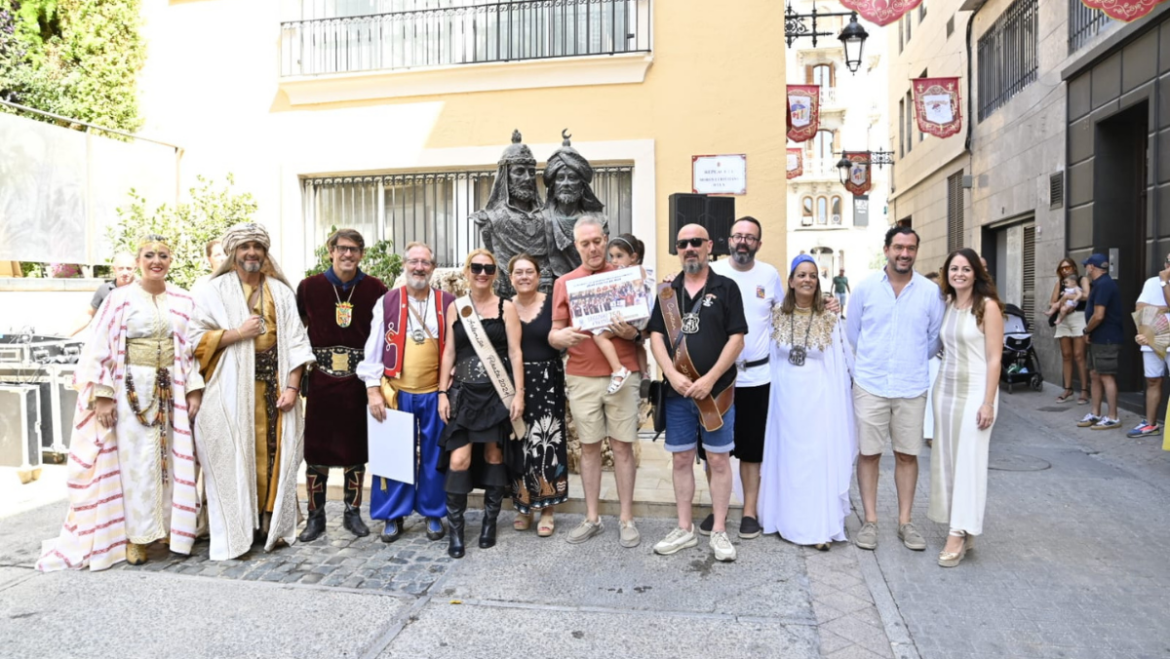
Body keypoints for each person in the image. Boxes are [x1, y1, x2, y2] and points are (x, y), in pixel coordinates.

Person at [38, 236, 203, 570]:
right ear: (139, 260)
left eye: (163, 255)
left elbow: (191, 349)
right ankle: (135, 537)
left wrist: (194, 388)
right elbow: (98, 345)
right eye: (149, 255)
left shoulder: (184, 300)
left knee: (172, 459)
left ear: (171, 260)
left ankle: (171, 530)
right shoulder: (119, 300)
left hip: (172, 392)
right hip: (131, 394)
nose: (156, 261)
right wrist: (102, 395)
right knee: (137, 464)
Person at [189, 222, 315, 560]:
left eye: (257, 247)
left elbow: (299, 344)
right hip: (229, 391)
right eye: (245, 247)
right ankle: (235, 526)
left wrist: (292, 387)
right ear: (233, 253)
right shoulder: (213, 292)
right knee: (231, 453)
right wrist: (236, 333)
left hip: (276, 389)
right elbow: (193, 341)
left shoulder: (281, 292)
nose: (251, 253)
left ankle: (267, 522)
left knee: (276, 455)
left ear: (264, 252)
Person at [648, 223, 746, 562]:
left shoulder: (727, 287)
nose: (689, 248)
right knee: (681, 459)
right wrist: (672, 374)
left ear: (709, 246)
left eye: (695, 242)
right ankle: (685, 528)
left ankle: (719, 530)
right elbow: (656, 337)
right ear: (678, 250)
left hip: (716, 393)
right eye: (682, 243)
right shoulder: (667, 293)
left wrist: (710, 378)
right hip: (677, 394)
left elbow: (737, 339)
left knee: (719, 460)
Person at [846, 226, 944, 553]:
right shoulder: (864, 289)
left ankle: (905, 522)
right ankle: (871, 522)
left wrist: (908, 362)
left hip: (911, 385)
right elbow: (854, 333)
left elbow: (933, 339)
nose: (904, 254)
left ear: (917, 251)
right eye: (898, 247)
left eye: (911, 248)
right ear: (887, 249)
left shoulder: (930, 292)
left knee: (907, 454)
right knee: (869, 453)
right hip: (870, 383)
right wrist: (873, 363)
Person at [549, 216, 643, 548]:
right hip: (582, 375)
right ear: (576, 247)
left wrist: (632, 332)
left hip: (624, 371)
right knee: (588, 448)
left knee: (622, 447)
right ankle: (592, 518)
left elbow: (641, 328)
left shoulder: (624, 276)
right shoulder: (565, 283)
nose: (592, 248)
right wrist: (563, 337)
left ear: (605, 240)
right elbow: (554, 331)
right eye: (585, 243)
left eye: (597, 241)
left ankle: (627, 519)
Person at [691, 217, 783, 541]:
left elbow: (785, 316)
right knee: (714, 451)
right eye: (738, 236)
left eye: (750, 237)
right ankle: (720, 509)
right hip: (718, 380)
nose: (743, 242)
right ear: (728, 240)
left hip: (758, 377)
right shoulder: (712, 273)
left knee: (750, 449)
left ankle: (749, 513)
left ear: (758, 243)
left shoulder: (769, 275)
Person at [296, 229, 388, 542]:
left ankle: (352, 512)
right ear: (331, 251)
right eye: (342, 249)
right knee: (316, 450)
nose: (347, 255)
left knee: (355, 449)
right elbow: (296, 335)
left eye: (354, 250)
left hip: (358, 381)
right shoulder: (309, 288)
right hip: (321, 381)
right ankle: (315, 516)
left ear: (361, 254)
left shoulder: (375, 288)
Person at [759, 255, 855, 550]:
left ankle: (817, 528)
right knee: (787, 458)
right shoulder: (776, 313)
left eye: (813, 275)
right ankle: (785, 520)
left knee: (815, 460)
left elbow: (839, 364)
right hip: (785, 397)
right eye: (801, 275)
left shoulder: (829, 317)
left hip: (818, 399)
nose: (807, 280)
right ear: (790, 281)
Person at [359, 243, 453, 544]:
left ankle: (433, 511)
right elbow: (372, 349)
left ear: (433, 268)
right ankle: (392, 514)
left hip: (434, 393)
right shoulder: (387, 302)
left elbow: (455, 351)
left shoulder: (447, 302)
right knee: (394, 455)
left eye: (425, 262)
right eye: (414, 261)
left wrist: (446, 391)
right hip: (395, 392)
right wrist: (373, 390)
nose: (419, 268)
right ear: (404, 264)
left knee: (434, 456)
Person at [437, 249, 525, 559]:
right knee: (459, 459)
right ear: (467, 271)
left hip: (495, 394)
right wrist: (441, 392)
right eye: (477, 267)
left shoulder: (507, 307)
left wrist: (519, 394)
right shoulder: (456, 308)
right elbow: (449, 352)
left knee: (493, 455)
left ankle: (489, 524)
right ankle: (457, 532)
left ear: (495, 273)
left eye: (489, 268)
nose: (482, 272)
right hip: (464, 393)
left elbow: (515, 353)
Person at [929, 248, 1004, 567]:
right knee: (947, 460)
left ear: (976, 273)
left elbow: (995, 358)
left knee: (969, 462)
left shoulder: (987, 307)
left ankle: (957, 533)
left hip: (976, 391)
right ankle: (965, 525)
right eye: (953, 268)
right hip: (945, 389)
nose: (959, 273)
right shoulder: (947, 304)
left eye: (965, 269)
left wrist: (988, 402)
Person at [508, 254, 569, 536]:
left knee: (548, 444)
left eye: (529, 271)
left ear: (538, 275)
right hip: (515, 383)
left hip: (548, 380)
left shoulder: (550, 304)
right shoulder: (505, 308)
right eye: (518, 272)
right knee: (520, 443)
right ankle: (523, 506)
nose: (524, 277)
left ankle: (548, 508)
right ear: (510, 278)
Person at [473, 130, 546, 296]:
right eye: (519, 172)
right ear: (505, 176)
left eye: (531, 172)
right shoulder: (490, 218)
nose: (527, 178)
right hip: (506, 295)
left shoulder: (547, 216)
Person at [542, 131, 608, 279]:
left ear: (582, 185)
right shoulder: (541, 219)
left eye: (572, 177)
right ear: (553, 185)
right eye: (560, 178)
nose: (566, 183)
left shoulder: (599, 221)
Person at [591, 233, 651, 394]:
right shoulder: (633, 270)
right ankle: (645, 374)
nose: (614, 261)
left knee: (600, 336)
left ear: (633, 257)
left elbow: (637, 288)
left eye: (619, 256)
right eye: (611, 257)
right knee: (638, 344)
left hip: (633, 315)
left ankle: (618, 370)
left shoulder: (636, 270)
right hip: (639, 319)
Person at [1077, 254, 1124, 430]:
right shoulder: (1100, 284)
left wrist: (1086, 330)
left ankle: (1113, 417)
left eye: (1086, 266)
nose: (1086, 269)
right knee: (1095, 374)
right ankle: (1095, 413)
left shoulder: (1104, 285)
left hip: (1107, 338)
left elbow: (1099, 315)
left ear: (1091, 267)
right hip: (1099, 337)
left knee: (1106, 376)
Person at [1128, 252, 1170, 438]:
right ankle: (1151, 424)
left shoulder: (1160, 282)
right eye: (1169, 261)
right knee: (1153, 380)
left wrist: (1165, 282)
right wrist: (1165, 309)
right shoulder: (1151, 282)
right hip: (1152, 337)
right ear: (1165, 262)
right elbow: (1139, 308)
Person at [1051, 258, 1091, 404]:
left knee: (1079, 355)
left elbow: (1087, 295)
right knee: (1066, 355)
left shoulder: (1082, 279)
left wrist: (1069, 297)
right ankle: (1068, 389)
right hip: (1063, 318)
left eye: (1068, 267)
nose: (1065, 270)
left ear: (1074, 267)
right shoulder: (1060, 284)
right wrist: (1062, 302)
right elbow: (1052, 302)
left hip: (1079, 318)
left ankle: (1085, 390)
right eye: (1062, 269)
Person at [68, 252, 137, 337]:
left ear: (135, 269)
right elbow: (89, 314)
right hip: (109, 342)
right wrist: (68, 335)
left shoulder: (144, 290)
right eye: (121, 268)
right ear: (114, 269)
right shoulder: (104, 290)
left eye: (129, 268)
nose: (125, 272)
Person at [923, 271, 942, 449]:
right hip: (929, 356)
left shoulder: (949, 305)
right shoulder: (920, 305)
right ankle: (929, 432)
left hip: (948, 356)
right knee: (930, 395)